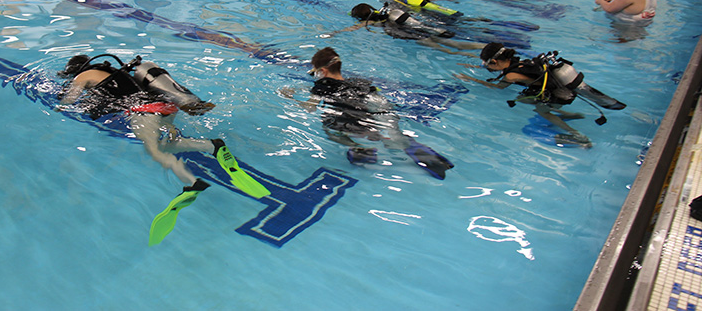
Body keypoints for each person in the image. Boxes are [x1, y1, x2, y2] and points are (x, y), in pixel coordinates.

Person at [56, 53, 269, 245]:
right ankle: (212, 146)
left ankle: (192, 183)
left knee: (155, 152)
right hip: (164, 105)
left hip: (145, 111)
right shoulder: (110, 72)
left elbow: (67, 102)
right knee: (164, 146)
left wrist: (59, 102)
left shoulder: (83, 77)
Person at [281, 47, 453, 179]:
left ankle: (358, 147)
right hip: (378, 105)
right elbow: (377, 100)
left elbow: (309, 107)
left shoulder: (322, 85)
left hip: (351, 114)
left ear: (323, 71)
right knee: (395, 136)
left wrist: (289, 97)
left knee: (329, 128)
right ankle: (419, 151)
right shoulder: (358, 81)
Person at [456, 43, 626, 147]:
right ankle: (573, 114)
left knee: (542, 112)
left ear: (494, 61)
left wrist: (470, 79)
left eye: (487, 64)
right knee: (530, 103)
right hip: (564, 87)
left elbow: (498, 87)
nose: (487, 67)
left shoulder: (511, 75)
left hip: (560, 93)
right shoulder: (517, 61)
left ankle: (576, 135)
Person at [340, 2, 485, 56]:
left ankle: (474, 56)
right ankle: (485, 47)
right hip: (425, 29)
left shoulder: (371, 21)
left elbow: (353, 28)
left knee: (450, 51)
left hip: (416, 36)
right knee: (455, 44)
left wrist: (334, 33)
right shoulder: (385, 12)